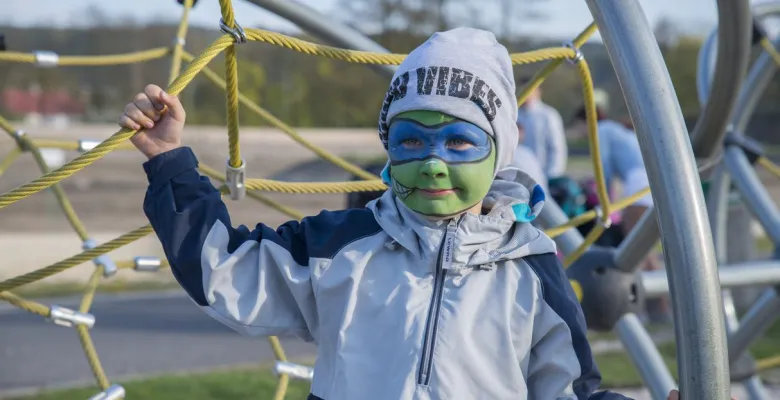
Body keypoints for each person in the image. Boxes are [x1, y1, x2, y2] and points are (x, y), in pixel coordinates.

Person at [120, 28, 687, 400]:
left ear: (500, 152)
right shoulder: (342, 245)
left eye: (460, 143)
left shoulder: (531, 270)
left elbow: (568, 391)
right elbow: (224, 270)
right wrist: (171, 162)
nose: (434, 164)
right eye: (411, 141)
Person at [571, 103, 671, 324]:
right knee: (643, 250)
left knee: (635, 249)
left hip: (638, 186)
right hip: (647, 183)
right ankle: (657, 307)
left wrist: (604, 206)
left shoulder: (603, 130)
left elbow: (603, 168)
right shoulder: (617, 129)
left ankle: (646, 307)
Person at [516, 76, 568, 179]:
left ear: (538, 91)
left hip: (544, 176)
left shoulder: (548, 115)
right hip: (520, 177)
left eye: (529, 90)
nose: (526, 94)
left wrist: (552, 176)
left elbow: (557, 148)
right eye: (523, 90)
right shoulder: (515, 115)